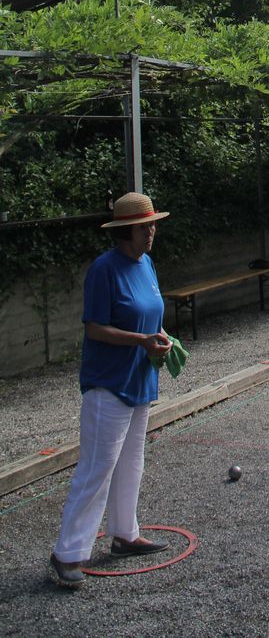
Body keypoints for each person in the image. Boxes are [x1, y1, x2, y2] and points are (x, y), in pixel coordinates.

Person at [50, 192, 173, 589]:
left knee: (131, 462)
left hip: (140, 379)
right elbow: (95, 328)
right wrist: (141, 340)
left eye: (153, 224)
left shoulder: (147, 264)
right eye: (145, 226)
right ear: (126, 231)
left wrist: (160, 337)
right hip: (108, 383)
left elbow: (149, 313)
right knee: (97, 469)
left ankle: (125, 533)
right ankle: (67, 553)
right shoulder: (104, 269)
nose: (152, 231)